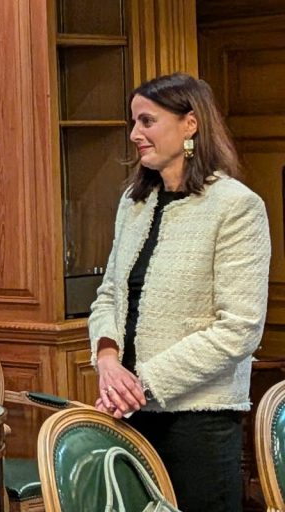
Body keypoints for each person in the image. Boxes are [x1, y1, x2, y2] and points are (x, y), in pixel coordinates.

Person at [89, 73, 271, 512]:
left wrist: (142, 383)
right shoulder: (133, 203)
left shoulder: (236, 206)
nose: (135, 134)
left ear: (190, 124)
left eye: (147, 121)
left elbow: (240, 329)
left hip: (199, 426)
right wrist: (108, 359)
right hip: (130, 417)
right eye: (133, 122)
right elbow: (108, 295)